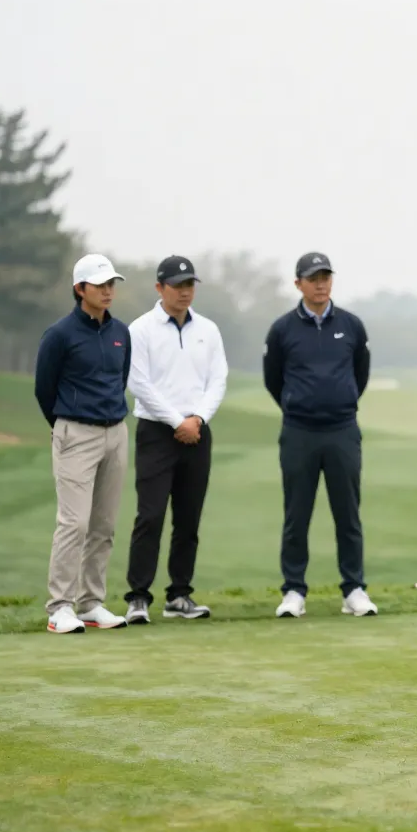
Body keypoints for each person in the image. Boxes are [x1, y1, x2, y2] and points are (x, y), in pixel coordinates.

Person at [262, 251, 377, 619]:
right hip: (299, 431)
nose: (321, 284)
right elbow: (273, 379)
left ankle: (354, 589)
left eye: (325, 277)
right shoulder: (282, 330)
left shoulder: (352, 326)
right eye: (313, 279)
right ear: (299, 284)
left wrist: (340, 401)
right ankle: (294, 590)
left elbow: (360, 374)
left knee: (348, 514)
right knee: (297, 515)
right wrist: (297, 404)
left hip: (342, 430)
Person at [123, 255, 229, 624]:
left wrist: (197, 419)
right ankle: (138, 597)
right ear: (159, 287)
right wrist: (177, 421)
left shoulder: (208, 330)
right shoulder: (141, 329)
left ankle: (179, 595)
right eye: (177, 285)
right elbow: (138, 383)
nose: (185, 292)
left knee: (188, 519)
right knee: (150, 516)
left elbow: (218, 379)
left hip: (198, 431)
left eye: (189, 285)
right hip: (156, 432)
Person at [33, 253, 134, 634]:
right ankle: (60, 607)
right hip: (75, 432)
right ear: (80, 289)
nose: (108, 291)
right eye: (100, 285)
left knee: (103, 525)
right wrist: (65, 426)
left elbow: (120, 379)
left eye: (111, 284)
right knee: (74, 523)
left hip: (116, 433)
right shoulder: (59, 334)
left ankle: (91, 603)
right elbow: (44, 389)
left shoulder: (120, 332)